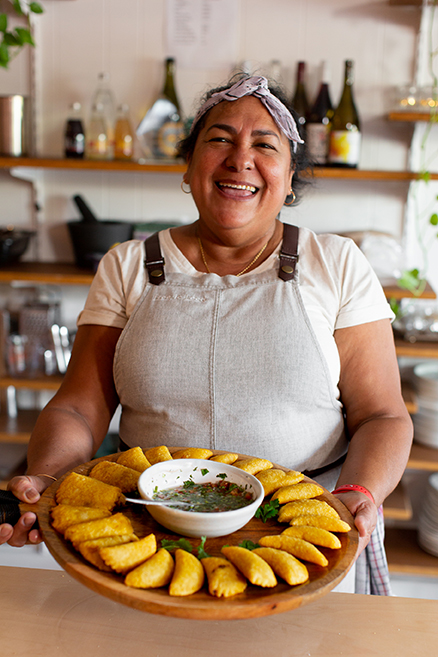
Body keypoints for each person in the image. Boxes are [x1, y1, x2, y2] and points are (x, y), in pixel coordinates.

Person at [0, 75, 413, 594]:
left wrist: (359, 492)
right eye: (219, 139)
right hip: (148, 539)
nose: (240, 159)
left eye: (265, 145)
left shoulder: (336, 264)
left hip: (300, 537)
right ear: (188, 167)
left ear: (290, 181)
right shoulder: (128, 264)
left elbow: (382, 415)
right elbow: (79, 408)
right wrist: (50, 478)